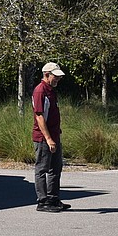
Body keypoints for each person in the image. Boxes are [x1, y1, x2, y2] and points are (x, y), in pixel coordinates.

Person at [32, 62, 71, 212]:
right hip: (43, 138)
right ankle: (43, 202)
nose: (58, 79)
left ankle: (53, 199)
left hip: (54, 136)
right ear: (47, 74)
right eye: (56, 76)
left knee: (56, 168)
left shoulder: (51, 91)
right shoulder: (40, 91)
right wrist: (48, 139)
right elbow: (39, 116)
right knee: (42, 168)